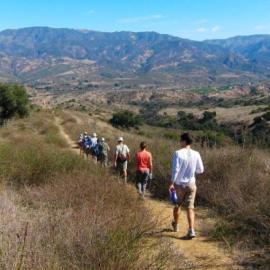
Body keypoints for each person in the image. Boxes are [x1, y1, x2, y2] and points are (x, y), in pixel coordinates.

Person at [169, 133, 204, 239]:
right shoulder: (196, 153)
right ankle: (191, 230)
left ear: (184, 141)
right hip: (191, 184)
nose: (180, 142)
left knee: (177, 205)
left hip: (180, 184)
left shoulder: (177, 153)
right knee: (190, 208)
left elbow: (175, 170)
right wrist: (191, 171)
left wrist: (171, 183)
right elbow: (201, 170)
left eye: (180, 140)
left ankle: (176, 225)